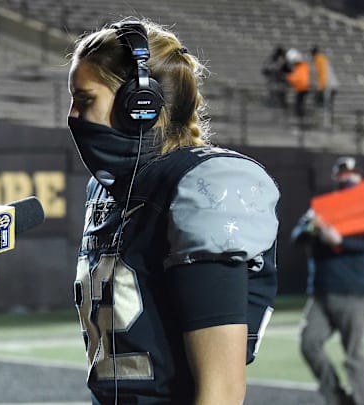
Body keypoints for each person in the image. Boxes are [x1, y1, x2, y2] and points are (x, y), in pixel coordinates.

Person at [67, 18, 281, 404]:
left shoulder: (204, 187)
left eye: (85, 100)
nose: (73, 115)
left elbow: (222, 392)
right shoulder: (109, 189)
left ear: (140, 104)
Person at [291, 156, 364, 405]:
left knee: (353, 355)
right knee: (309, 344)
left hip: (355, 292)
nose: (347, 178)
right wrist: (314, 228)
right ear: (335, 177)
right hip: (322, 292)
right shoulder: (322, 208)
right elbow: (297, 235)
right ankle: (336, 398)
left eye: (352, 174)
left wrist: (340, 240)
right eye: (342, 174)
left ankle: (361, 401)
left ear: (360, 178)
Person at [311, 46, 340, 127]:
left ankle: (327, 123)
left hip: (328, 85)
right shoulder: (322, 59)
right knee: (328, 105)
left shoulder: (319, 59)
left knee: (327, 105)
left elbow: (323, 74)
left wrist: (321, 87)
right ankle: (328, 122)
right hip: (332, 84)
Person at [285, 48, 311, 118]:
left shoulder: (302, 67)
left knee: (299, 105)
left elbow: (299, 79)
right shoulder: (301, 66)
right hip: (301, 88)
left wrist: (289, 77)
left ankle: (301, 119)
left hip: (302, 88)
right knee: (298, 105)